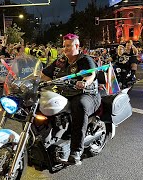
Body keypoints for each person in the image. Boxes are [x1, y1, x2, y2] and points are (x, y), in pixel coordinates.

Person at [41, 33, 101, 165]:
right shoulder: (61, 61)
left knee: (79, 105)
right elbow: (44, 74)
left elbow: (91, 74)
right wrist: (50, 81)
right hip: (66, 94)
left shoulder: (85, 59)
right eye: (64, 46)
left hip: (87, 94)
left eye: (68, 46)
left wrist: (84, 82)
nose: (65, 49)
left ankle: (76, 151)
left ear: (77, 46)